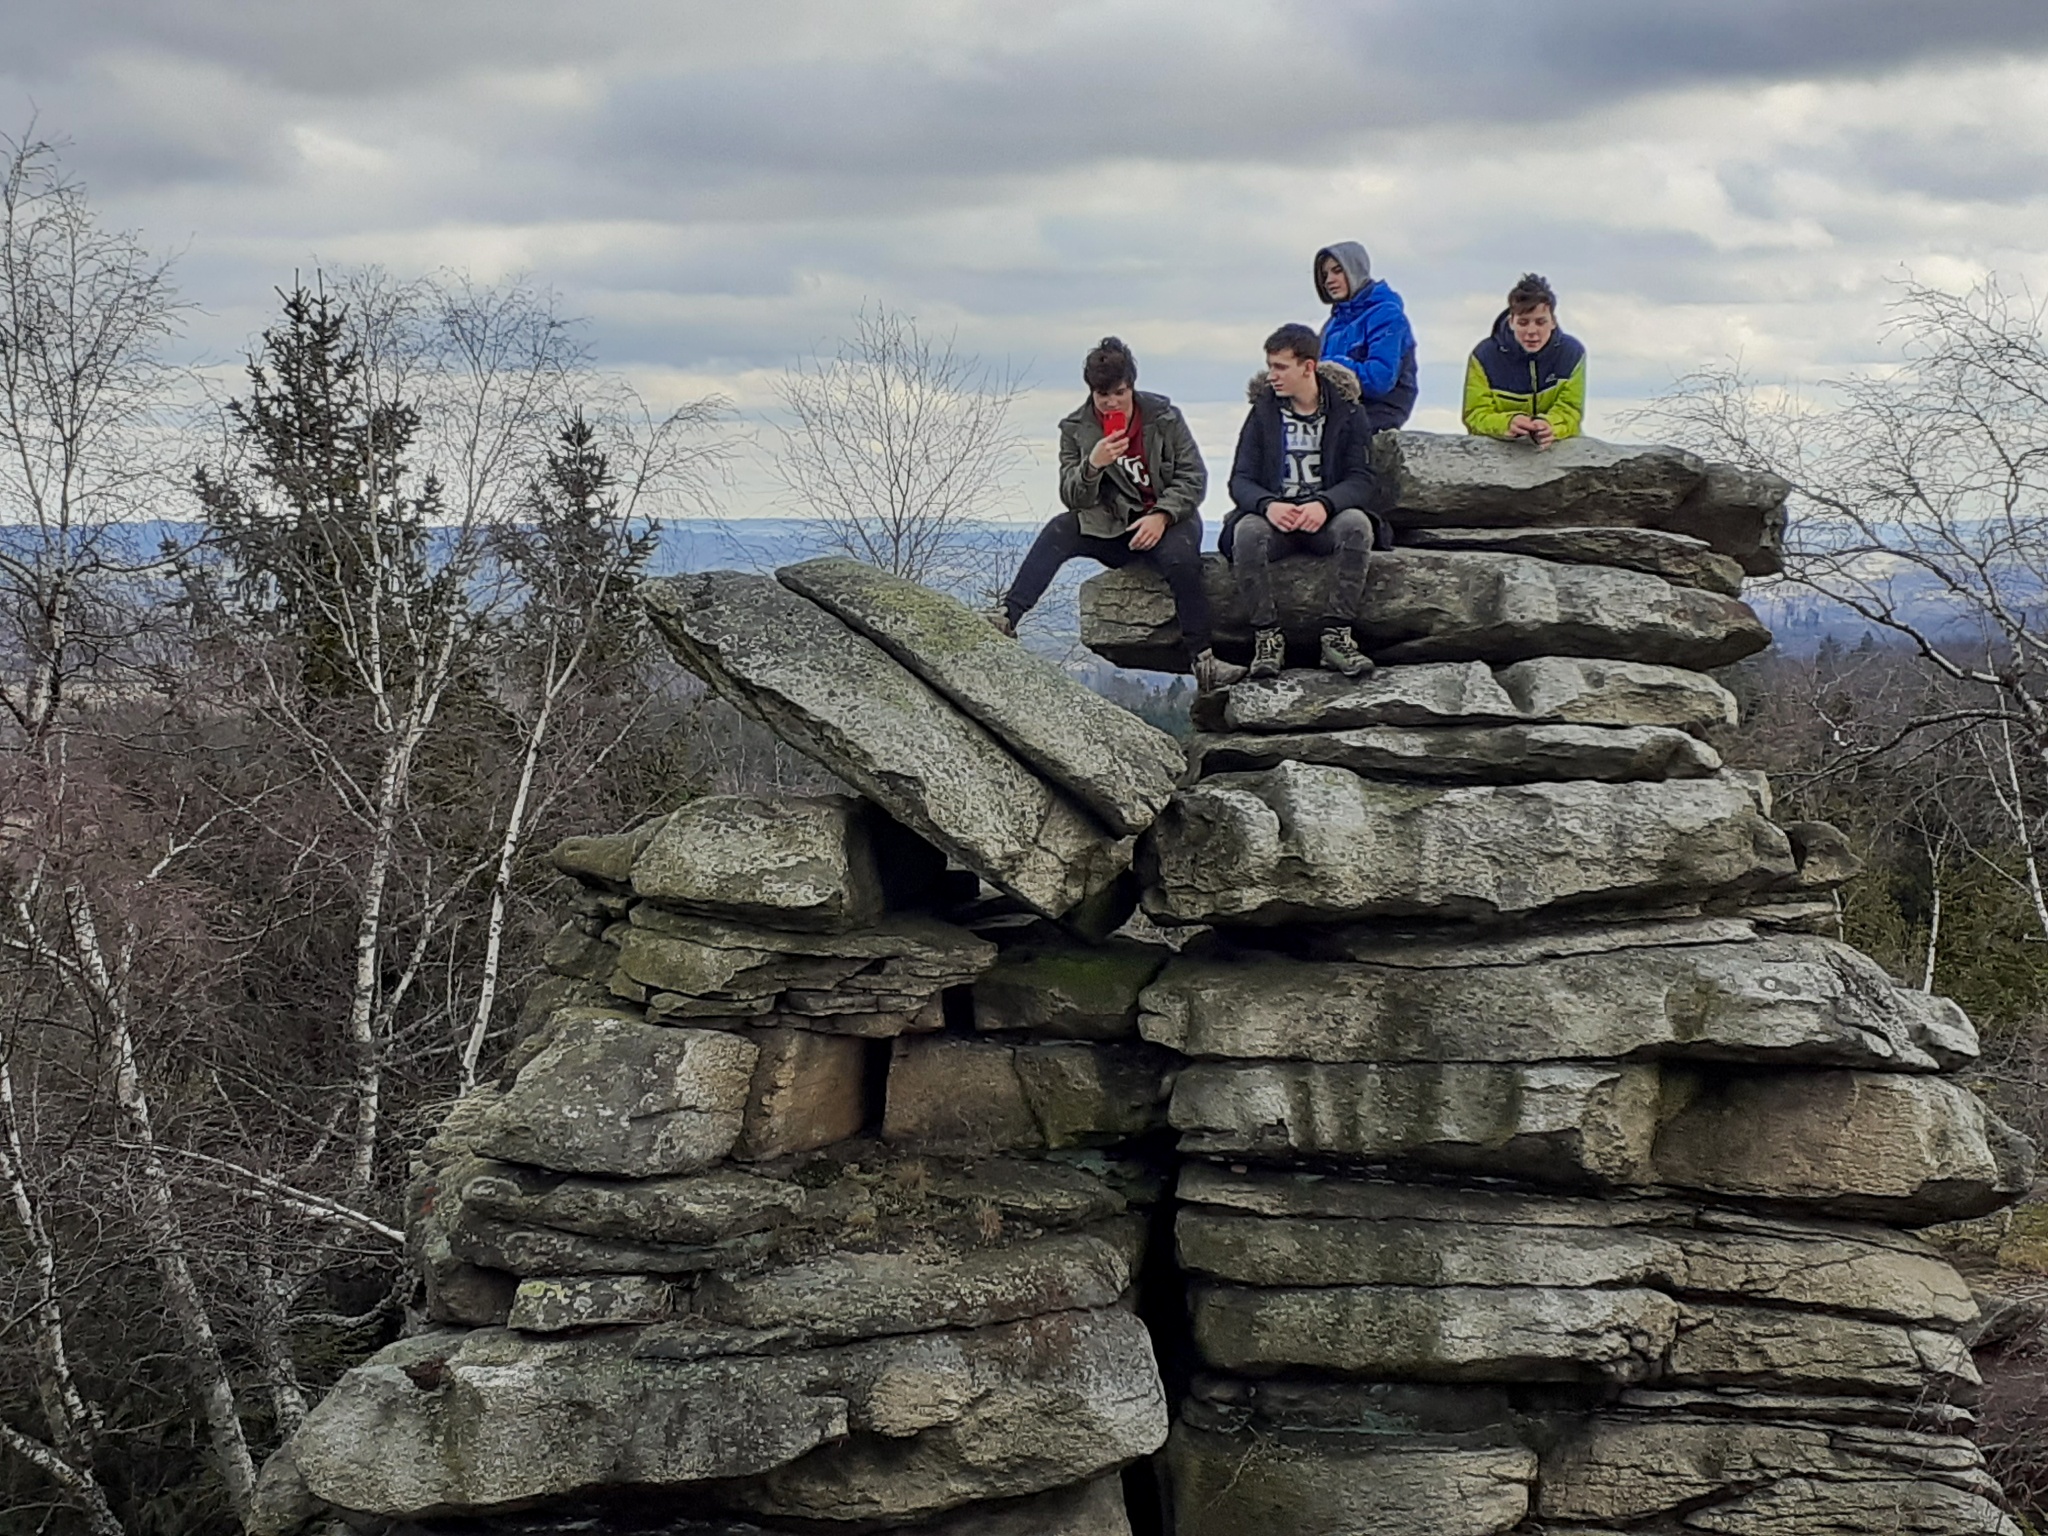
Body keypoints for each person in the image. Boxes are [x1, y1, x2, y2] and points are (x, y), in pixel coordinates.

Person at [991, 337, 1246, 691]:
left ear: (1132, 387)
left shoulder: (1165, 418)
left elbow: (1193, 477)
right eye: (1103, 395)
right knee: (1059, 529)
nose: (1112, 402)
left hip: (1169, 521)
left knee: (1182, 562)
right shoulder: (1076, 429)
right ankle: (1008, 616)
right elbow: (1072, 497)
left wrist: (1162, 515)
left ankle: (1204, 660)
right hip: (1114, 528)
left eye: (1119, 393)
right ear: (1091, 392)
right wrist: (1092, 465)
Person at [1221, 323, 1378, 679]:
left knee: (1357, 526)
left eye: (1281, 367)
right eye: (1270, 366)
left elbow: (1362, 479)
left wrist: (1325, 504)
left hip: (1326, 520)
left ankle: (1337, 637)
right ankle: (1267, 639)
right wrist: (1268, 505)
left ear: (1308, 367)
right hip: (1275, 520)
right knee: (1246, 533)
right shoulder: (1263, 412)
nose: (1271, 376)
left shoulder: (1349, 412)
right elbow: (1240, 479)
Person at [1463, 272, 1585, 444]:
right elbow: (1475, 414)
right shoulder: (1484, 356)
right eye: (1523, 322)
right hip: (1498, 450)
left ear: (1553, 322)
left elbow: (1571, 411)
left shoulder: (1572, 353)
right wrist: (1507, 423)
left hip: (1558, 448)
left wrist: (1550, 426)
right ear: (1511, 321)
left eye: (1540, 322)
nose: (1532, 331)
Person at [1314, 242, 1418, 434]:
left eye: (1337, 271)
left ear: (1355, 269)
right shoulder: (1332, 324)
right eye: (1325, 274)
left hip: (1378, 411)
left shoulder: (1387, 315)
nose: (1329, 280)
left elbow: (1380, 379)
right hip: (1337, 411)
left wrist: (1331, 368)